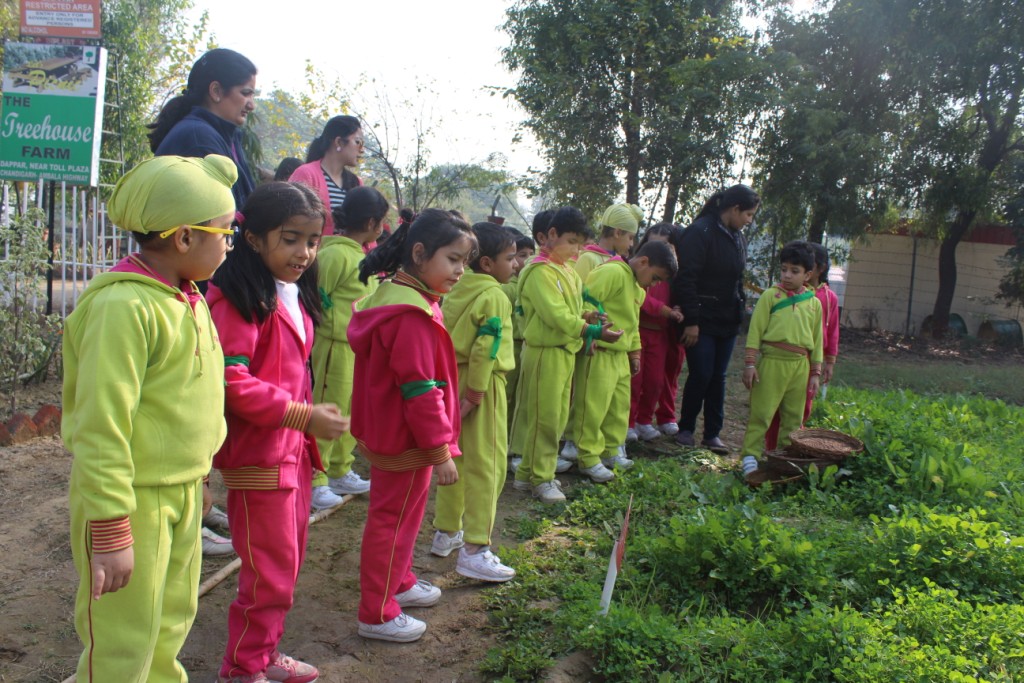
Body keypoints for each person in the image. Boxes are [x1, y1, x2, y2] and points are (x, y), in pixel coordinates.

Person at [63, 155, 237, 682]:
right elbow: (101, 426)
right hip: (133, 501)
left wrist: (200, 478)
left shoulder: (188, 296)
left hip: (180, 492)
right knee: (124, 636)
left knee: (170, 622)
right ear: (184, 238)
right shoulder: (123, 308)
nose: (229, 245)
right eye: (225, 233)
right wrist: (111, 528)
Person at [208, 182, 349, 683]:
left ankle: (263, 654)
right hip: (259, 456)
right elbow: (230, 381)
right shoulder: (238, 300)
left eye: (312, 241)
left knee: (285, 567)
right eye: (290, 239)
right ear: (252, 238)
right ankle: (243, 668)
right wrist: (301, 416)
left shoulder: (287, 292)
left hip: (292, 453)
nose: (304, 253)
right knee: (269, 573)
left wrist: (303, 426)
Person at [349, 209, 473, 643]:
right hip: (406, 438)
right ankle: (377, 611)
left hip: (393, 432)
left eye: (464, 261)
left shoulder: (398, 294)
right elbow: (420, 389)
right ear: (419, 253)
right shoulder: (410, 314)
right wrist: (440, 449)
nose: (460, 270)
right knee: (392, 521)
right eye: (453, 259)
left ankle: (398, 581)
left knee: (403, 516)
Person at [509, 207, 622, 504]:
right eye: (571, 242)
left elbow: (570, 309)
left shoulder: (566, 271)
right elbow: (555, 315)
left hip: (564, 352)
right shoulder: (540, 271)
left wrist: (588, 315)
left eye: (580, 244)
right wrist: (591, 331)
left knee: (556, 418)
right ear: (551, 235)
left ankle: (527, 474)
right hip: (544, 353)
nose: (576, 250)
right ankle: (541, 478)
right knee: (544, 419)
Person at [430, 222, 518, 581]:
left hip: (453, 377)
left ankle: (446, 532)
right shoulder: (495, 294)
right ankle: (476, 548)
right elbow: (487, 345)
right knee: (488, 465)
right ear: (487, 263)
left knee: (456, 457)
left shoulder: (454, 287)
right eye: (510, 258)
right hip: (483, 385)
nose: (515, 264)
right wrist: (477, 393)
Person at [308, 187, 389, 511]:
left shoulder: (361, 256)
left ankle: (339, 468)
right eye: (382, 221)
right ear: (371, 223)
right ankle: (315, 478)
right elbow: (314, 296)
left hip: (356, 348)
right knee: (328, 408)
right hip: (333, 347)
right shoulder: (334, 254)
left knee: (349, 411)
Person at [570, 240, 679, 482]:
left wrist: (635, 352)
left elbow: (632, 324)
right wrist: (591, 333)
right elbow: (585, 301)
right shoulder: (611, 272)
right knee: (592, 408)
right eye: (656, 278)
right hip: (599, 353)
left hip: (620, 356)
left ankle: (611, 450)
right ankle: (587, 456)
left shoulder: (637, 287)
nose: (655, 284)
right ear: (643, 262)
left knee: (618, 408)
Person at [671, 184, 759, 454]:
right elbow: (686, 279)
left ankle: (712, 434)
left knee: (718, 376)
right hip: (701, 319)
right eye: (748, 214)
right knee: (702, 373)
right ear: (735, 209)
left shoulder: (737, 237)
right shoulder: (700, 232)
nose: (749, 220)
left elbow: (736, 278)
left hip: (728, 319)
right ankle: (686, 428)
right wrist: (692, 321)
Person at [561, 203, 643, 460]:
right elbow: (580, 297)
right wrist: (590, 333)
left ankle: (607, 446)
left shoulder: (623, 266)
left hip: (614, 345)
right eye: (630, 237)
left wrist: (634, 349)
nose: (631, 243)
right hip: (593, 341)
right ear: (617, 232)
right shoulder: (589, 258)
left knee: (609, 400)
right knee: (588, 398)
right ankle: (575, 442)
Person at [740, 241, 823, 479]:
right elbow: (755, 331)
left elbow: (818, 340)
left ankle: (786, 459)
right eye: (784, 269)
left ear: (808, 274)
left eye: (794, 271)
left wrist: (815, 373)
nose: (787, 275)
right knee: (761, 413)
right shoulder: (770, 296)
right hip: (772, 363)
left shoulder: (814, 303)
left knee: (794, 417)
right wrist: (750, 364)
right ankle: (750, 456)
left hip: (800, 366)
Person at [148, 48, 258, 209]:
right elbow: (219, 216)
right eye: (246, 93)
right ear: (216, 91)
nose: (252, 105)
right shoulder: (199, 139)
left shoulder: (221, 135)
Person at [765, 242, 840, 449]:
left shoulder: (828, 298)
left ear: (818, 269)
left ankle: (789, 448)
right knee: (774, 405)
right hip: (783, 356)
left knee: (801, 406)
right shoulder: (785, 292)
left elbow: (832, 332)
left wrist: (829, 361)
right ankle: (771, 447)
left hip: (809, 360)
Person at [629, 223, 686, 441]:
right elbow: (641, 299)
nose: (659, 250)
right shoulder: (639, 272)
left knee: (655, 382)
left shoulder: (672, 275)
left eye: (665, 245)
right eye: (653, 243)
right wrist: (666, 311)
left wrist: (679, 307)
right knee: (635, 380)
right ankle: (629, 422)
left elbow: (680, 296)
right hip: (639, 331)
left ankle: (644, 420)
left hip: (660, 335)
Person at [289, 115, 365, 235]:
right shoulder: (306, 174)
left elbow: (365, 231)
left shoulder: (356, 183)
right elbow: (291, 221)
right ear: (339, 142)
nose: (362, 149)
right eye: (358, 142)